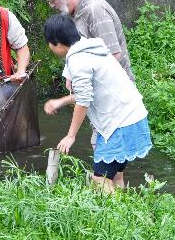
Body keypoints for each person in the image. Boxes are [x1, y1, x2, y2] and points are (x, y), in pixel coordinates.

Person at [43, 14, 152, 193]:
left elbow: (84, 100)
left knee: (99, 180)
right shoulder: (91, 47)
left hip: (120, 124)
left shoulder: (78, 60)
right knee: (114, 176)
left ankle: (118, 219)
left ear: (58, 44)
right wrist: (61, 101)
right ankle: (126, 209)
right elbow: (90, 92)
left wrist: (71, 136)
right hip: (134, 116)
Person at [42, 0, 134, 149]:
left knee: (102, 155)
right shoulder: (76, 11)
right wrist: (70, 74)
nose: (51, 6)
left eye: (51, 1)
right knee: (109, 164)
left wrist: (81, 87)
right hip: (101, 98)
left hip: (113, 101)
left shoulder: (94, 10)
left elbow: (113, 56)